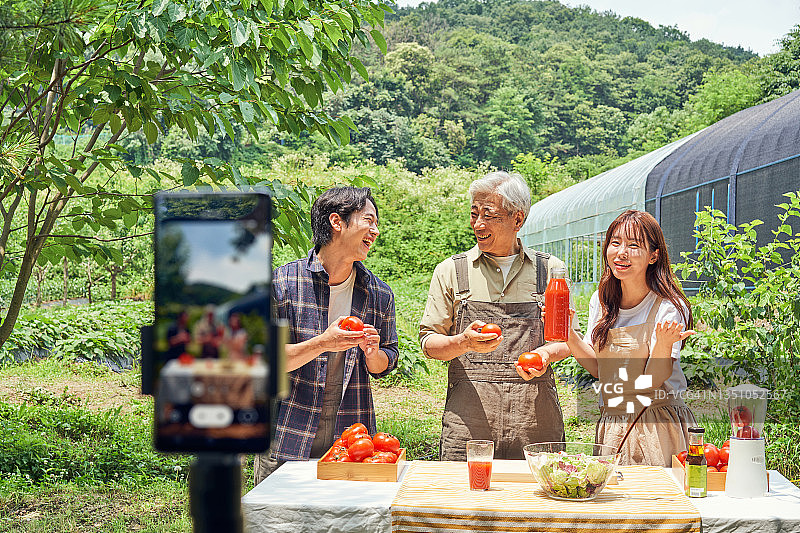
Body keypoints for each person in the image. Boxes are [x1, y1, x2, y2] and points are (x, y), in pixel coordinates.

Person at [419, 171, 575, 461]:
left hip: (535, 423)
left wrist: (544, 354)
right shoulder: (452, 271)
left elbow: (567, 340)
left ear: (518, 219)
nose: (478, 224)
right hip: (469, 426)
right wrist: (464, 342)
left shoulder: (551, 272)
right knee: (464, 504)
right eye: (474, 213)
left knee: (537, 502)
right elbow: (428, 343)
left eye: (489, 215)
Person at [253, 186, 398, 484]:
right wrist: (324, 343)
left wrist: (374, 354)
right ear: (337, 222)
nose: (376, 231)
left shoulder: (379, 294)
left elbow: (388, 360)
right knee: (278, 523)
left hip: (351, 436)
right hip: (288, 429)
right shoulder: (282, 284)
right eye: (368, 220)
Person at [531, 209, 697, 466]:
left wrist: (663, 345)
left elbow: (652, 381)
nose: (621, 252)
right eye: (615, 243)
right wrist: (569, 336)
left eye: (633, 245)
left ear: (654, 255)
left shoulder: (667, 307)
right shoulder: (602, 300)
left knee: (656, 502)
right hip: (613, 423)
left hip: (656, 424)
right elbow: (600, 368)